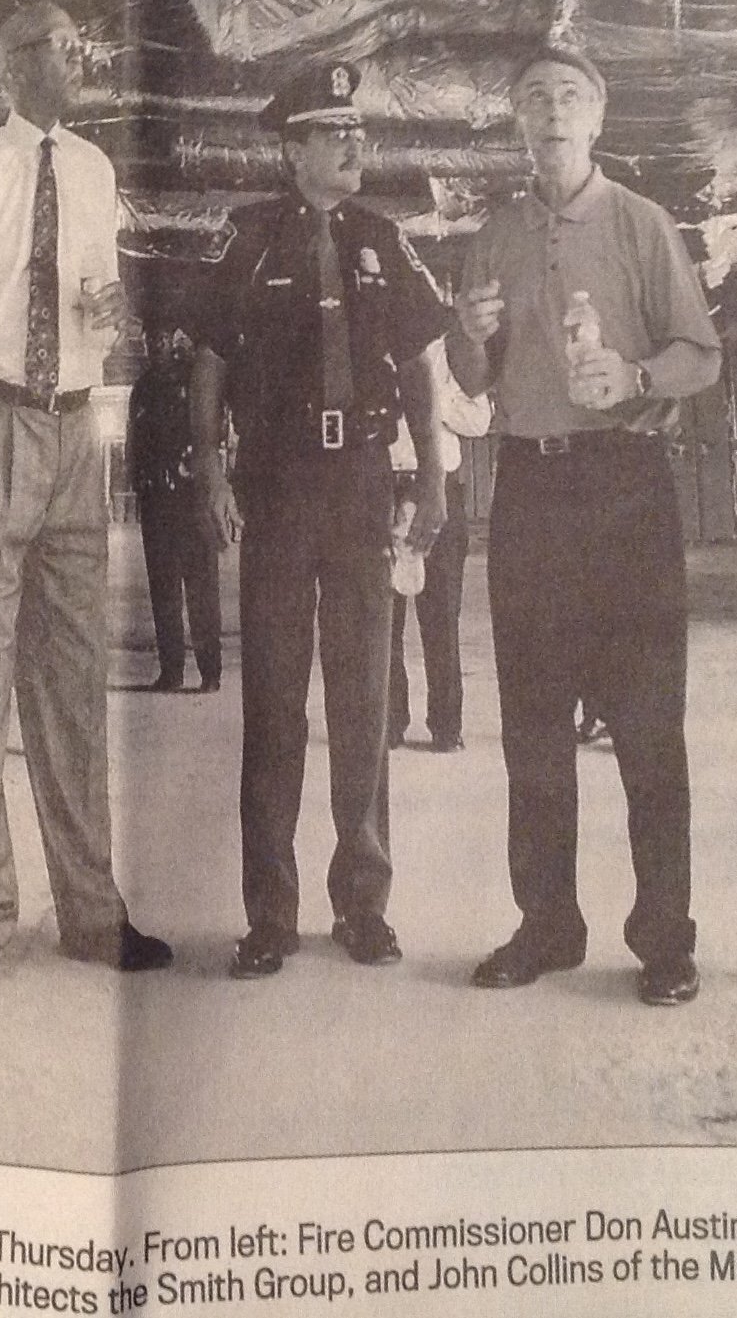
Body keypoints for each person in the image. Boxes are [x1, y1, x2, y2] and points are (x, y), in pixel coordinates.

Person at [0, 0, 172, 999]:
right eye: (61, 44)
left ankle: (91, 911)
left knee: (75, 684)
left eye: (84, 40)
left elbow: (99, 299)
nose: (82, 54)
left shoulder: (93, 171)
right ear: (12, 65)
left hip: (71, 431)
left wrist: (114, 321)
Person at [453, 43, 721, 1008]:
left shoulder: (643, 224)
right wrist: (468, 334)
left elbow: (702, 352)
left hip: (625, 489)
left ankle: (664, 938)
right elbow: (472, 381)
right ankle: (547, 924)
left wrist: (637, 378)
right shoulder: (491, 233)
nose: (551, 111)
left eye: (569, 96)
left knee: (649, 724)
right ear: (517, 122)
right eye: (533, 98)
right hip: (527, 488)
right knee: (531, 727)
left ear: (597, 117)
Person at [189, 61, 451, 980]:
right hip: (277, 485)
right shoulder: (249, 237)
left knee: (363, 699)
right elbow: (211, 363)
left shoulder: (384, 238)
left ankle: (363, 903)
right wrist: (211, 468)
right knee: (272, 703)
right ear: (292, 147)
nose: (353, 145)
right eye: (333, 132)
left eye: (358, 131)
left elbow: (420, 360)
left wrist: (433, 472)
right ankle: (269, 912)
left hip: (362, 486)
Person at [387, 349, 488, 753]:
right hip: (385, 485)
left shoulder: (450, 354)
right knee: (386, 616)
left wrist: (427, 400)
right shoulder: (376, 344)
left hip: (440, 488)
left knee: (442, 613)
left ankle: (446, 726)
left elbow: (480, 420)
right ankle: (390, 723)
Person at [129, 326, 222, 693]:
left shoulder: (195, 381)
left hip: (191, 498)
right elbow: (134, 440)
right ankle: (171, 670)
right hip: (157, 501)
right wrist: (137, 482)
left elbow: (212, 429)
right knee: (163, 589)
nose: (155, 346)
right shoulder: (143, 388)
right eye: (151, 341)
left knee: (202, 588)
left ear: (177, 339)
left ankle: (211, 671)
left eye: (162, 339)